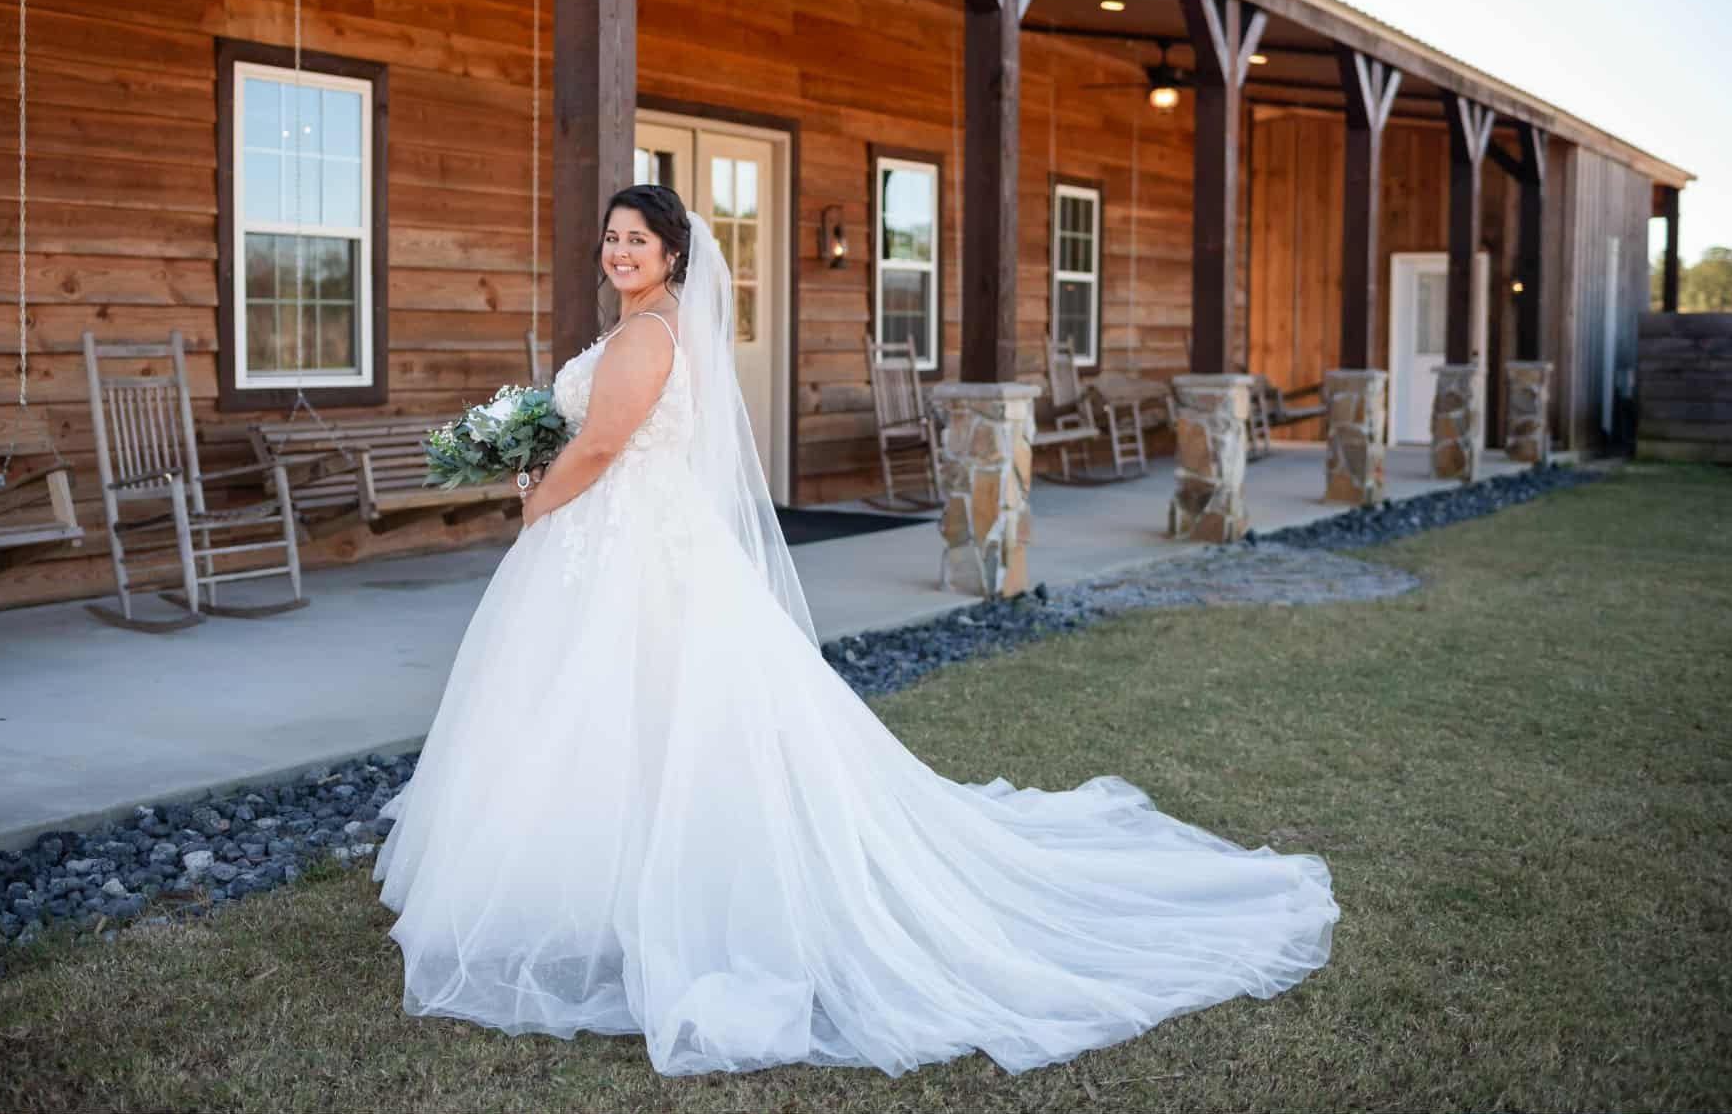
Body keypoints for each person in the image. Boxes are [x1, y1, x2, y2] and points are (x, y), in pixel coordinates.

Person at [373, 183, 1338, 1078]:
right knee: (621, 716)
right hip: (627, 537)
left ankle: (633, 887)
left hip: (626, 548)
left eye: (639, 240)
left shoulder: (645, 339)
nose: (620, 251)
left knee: (623, 707)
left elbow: (599, 445)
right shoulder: (645, 325)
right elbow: (591, 437)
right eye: (612, 239)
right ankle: (595, 883)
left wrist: (535, 503)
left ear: (673, 254)